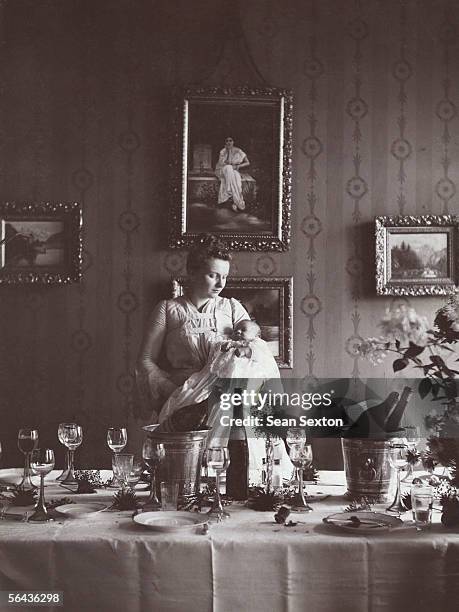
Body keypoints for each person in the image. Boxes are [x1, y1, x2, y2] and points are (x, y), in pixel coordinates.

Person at [159, 318, 280, 423]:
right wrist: (224, 347)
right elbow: (215, 355)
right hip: (220, 377)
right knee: (197, 395)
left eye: (243, 330)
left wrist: (244, 350)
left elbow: (259, 354)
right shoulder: (227, 342)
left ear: (256, 336)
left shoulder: (256, 343)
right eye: (236, 330)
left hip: (243, 376)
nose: (238, 331)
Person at [215, 137, 250, 212]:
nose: (229, 142)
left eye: (230, 141)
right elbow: (223, 163)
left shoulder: (238, 151)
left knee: (237, 177)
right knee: (228, 167)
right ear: (225, 142)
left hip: (233, 170)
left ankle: (236, 202)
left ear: (233, 142)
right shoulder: (223, 151)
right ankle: (229, 192)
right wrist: (228, 152)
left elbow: (247, 162)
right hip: (222, 170)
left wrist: (238, 166)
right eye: (227, 141)